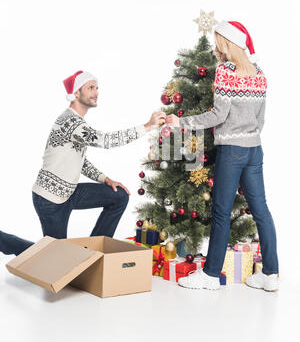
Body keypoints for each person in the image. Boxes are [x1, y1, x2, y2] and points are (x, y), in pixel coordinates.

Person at [0, 70, 166, 256]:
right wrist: (147, 126)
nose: (96, 92)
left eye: (97, 88)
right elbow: (106, 140)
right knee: (53, 260)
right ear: (76, 93)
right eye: (90, 87)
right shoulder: (71, 122)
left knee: (118, 196)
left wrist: (105, 179)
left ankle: (93, 254)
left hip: (69, 192)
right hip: (50, 199)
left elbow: (80, 161)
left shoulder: (77, 122)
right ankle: (6, 242)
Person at [166, 20, 279, 292]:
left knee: (220, 212)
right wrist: (248, 135)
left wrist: (180, 122)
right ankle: (271, 274)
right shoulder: (259, 72)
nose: (216, 46)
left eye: (218, 41)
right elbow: (261, 119)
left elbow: (218, 115)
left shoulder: (226, 72)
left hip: (232, 150)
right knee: (261, 210)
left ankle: (211, 274)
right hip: (255, 148)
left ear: (226, 43)